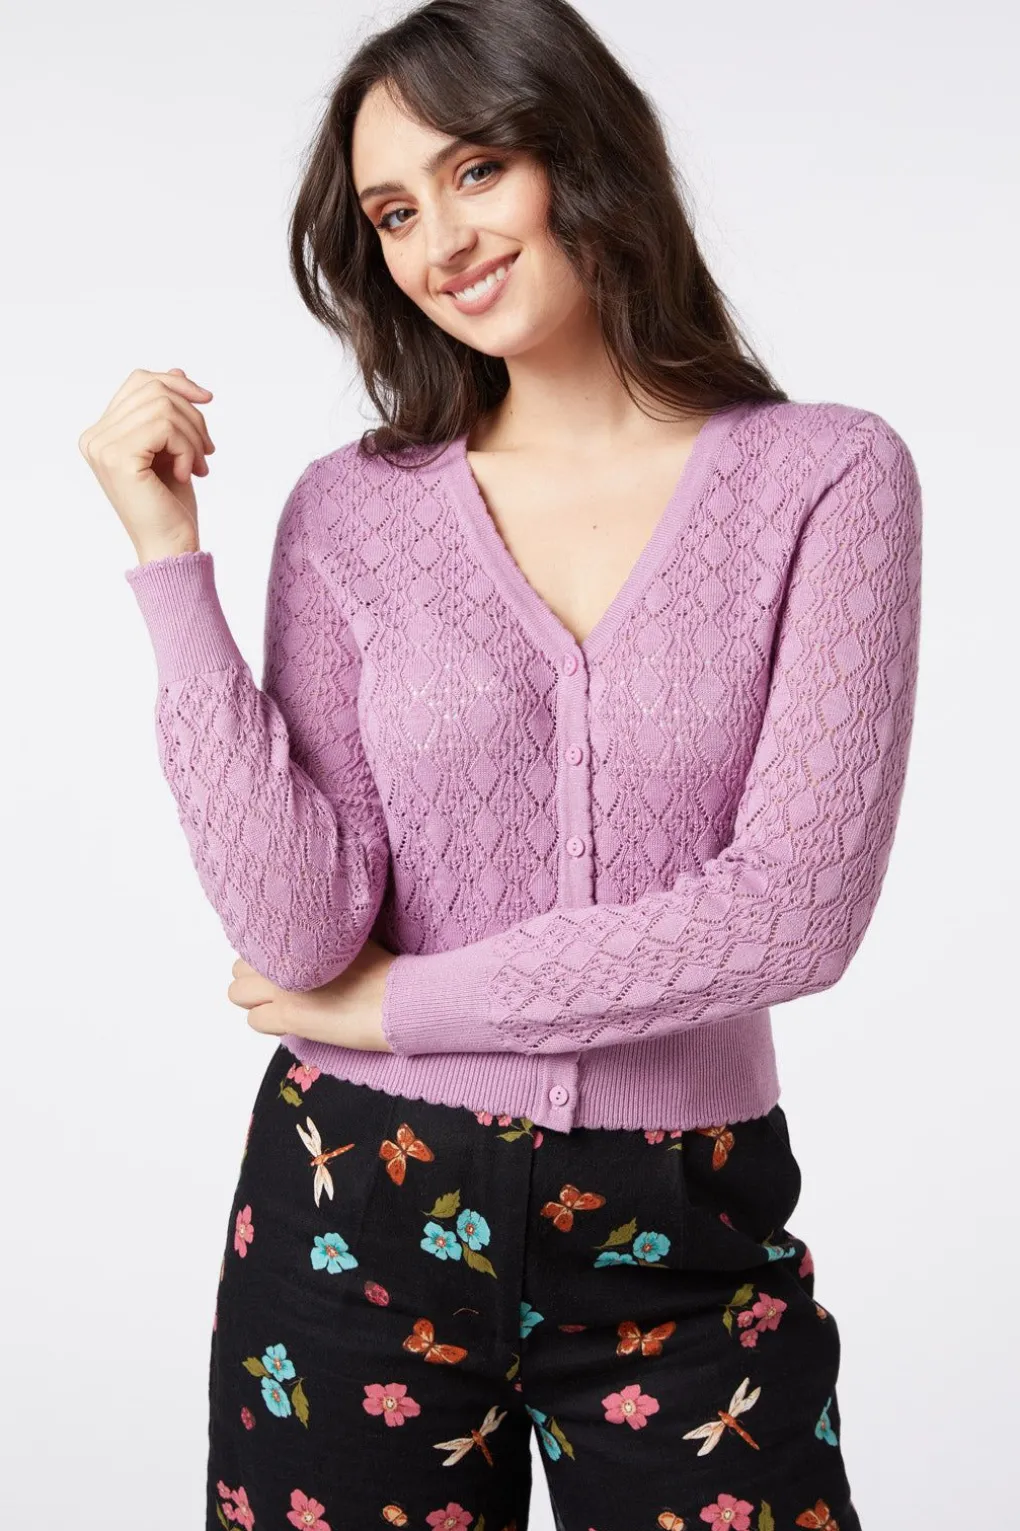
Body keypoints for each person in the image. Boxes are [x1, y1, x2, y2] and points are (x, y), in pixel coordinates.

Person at [79, 1, 922, 1527]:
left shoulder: (827, 478)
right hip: (357, 1203)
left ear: (583, 153)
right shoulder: (350, 511)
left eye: (476, 170)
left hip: (681, 1220)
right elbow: (299, 931)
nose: (441, 242)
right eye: (395, 211)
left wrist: (406, 1006)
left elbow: (797, 911)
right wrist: (168, 565)